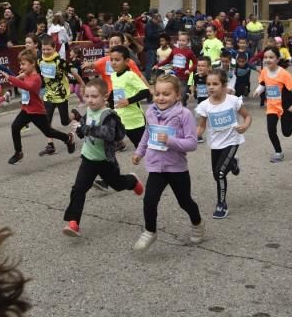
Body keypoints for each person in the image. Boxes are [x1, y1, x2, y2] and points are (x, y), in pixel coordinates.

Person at [130, 74, 203, 249]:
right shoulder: (150, 112)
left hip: (176, 168)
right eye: (157, 94)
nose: (160, 98)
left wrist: (170, 141)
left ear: (177, 95)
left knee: (185, 202)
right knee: (149, 200)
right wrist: (140, 151)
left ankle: (198, 224)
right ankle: (150, 231)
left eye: (166, 94)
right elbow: (148, 133)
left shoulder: (184, 115)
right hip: (156, 166)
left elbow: (192, 143)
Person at [62, 77, 141, 237]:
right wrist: (78, 128)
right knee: (78, 189)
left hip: (105, 161)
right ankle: (73, 223)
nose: (90, 100)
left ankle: (132, 181)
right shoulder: (90, 110)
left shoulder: (108, 115)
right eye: (87, 96)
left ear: (105, 97)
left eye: (94, 96)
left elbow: (108, 133)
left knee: (118, 185)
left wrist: (85, 128)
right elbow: (84, 128)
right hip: (89, 158)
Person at [1, 50, 75, 165]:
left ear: (33, 63)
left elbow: (28, 87)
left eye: (23, 64)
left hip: (37, 111)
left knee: (48, 132)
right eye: (20, 64)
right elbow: (19, 78)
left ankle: (68, 138)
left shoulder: (36, 78)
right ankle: (18, 152)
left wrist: (11, 79)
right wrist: (13, 79)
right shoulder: (26, 74)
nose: (21, 66)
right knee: (15, 127)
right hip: (26, 109)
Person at [196, 69, 251, 220]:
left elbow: (247, 116)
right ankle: (233, 164)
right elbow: (201, 126)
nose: (211, 87)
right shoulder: (204, 105)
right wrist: (192, 136)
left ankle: (221, 204)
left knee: (219, 173)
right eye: (208, 84)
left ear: (224, 85)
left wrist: (245, 126)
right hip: (215, 144)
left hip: (232, 141)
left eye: (215, 84)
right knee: (216, 174)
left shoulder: (233, 101)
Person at [253, 46, 292, 163]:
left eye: (271, 57)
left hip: (286, 106)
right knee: (271, 129)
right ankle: (278, 152)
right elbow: (263, 84)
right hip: (272, 106)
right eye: (265, 57)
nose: (268, 60)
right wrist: (258, 90)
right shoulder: (264, 71)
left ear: (277, 59)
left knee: (287, 133)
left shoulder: (284, 74)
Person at [38, 35, 81, 156]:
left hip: (61, 94)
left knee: (64, 122)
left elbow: (73, 71)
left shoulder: (59, 61)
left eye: (48, 49)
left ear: (54, 48)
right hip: (49, 95)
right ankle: (50, 145)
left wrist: (82, 83)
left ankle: (75, 115)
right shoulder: (40, 60)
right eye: (43, 49)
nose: (46, 52)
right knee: (47, 123)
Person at [106, 45, 151, 149]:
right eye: (111, 60)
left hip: (135, 120)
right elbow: (115, 91)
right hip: (121, 118)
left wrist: (128, 101)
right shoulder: (113, 75)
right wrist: (108, 102)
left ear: (126, 61)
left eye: (117, 60)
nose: (113, 62)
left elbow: (146, 91)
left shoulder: (130, 75)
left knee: (143, 148)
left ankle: (162, 161)